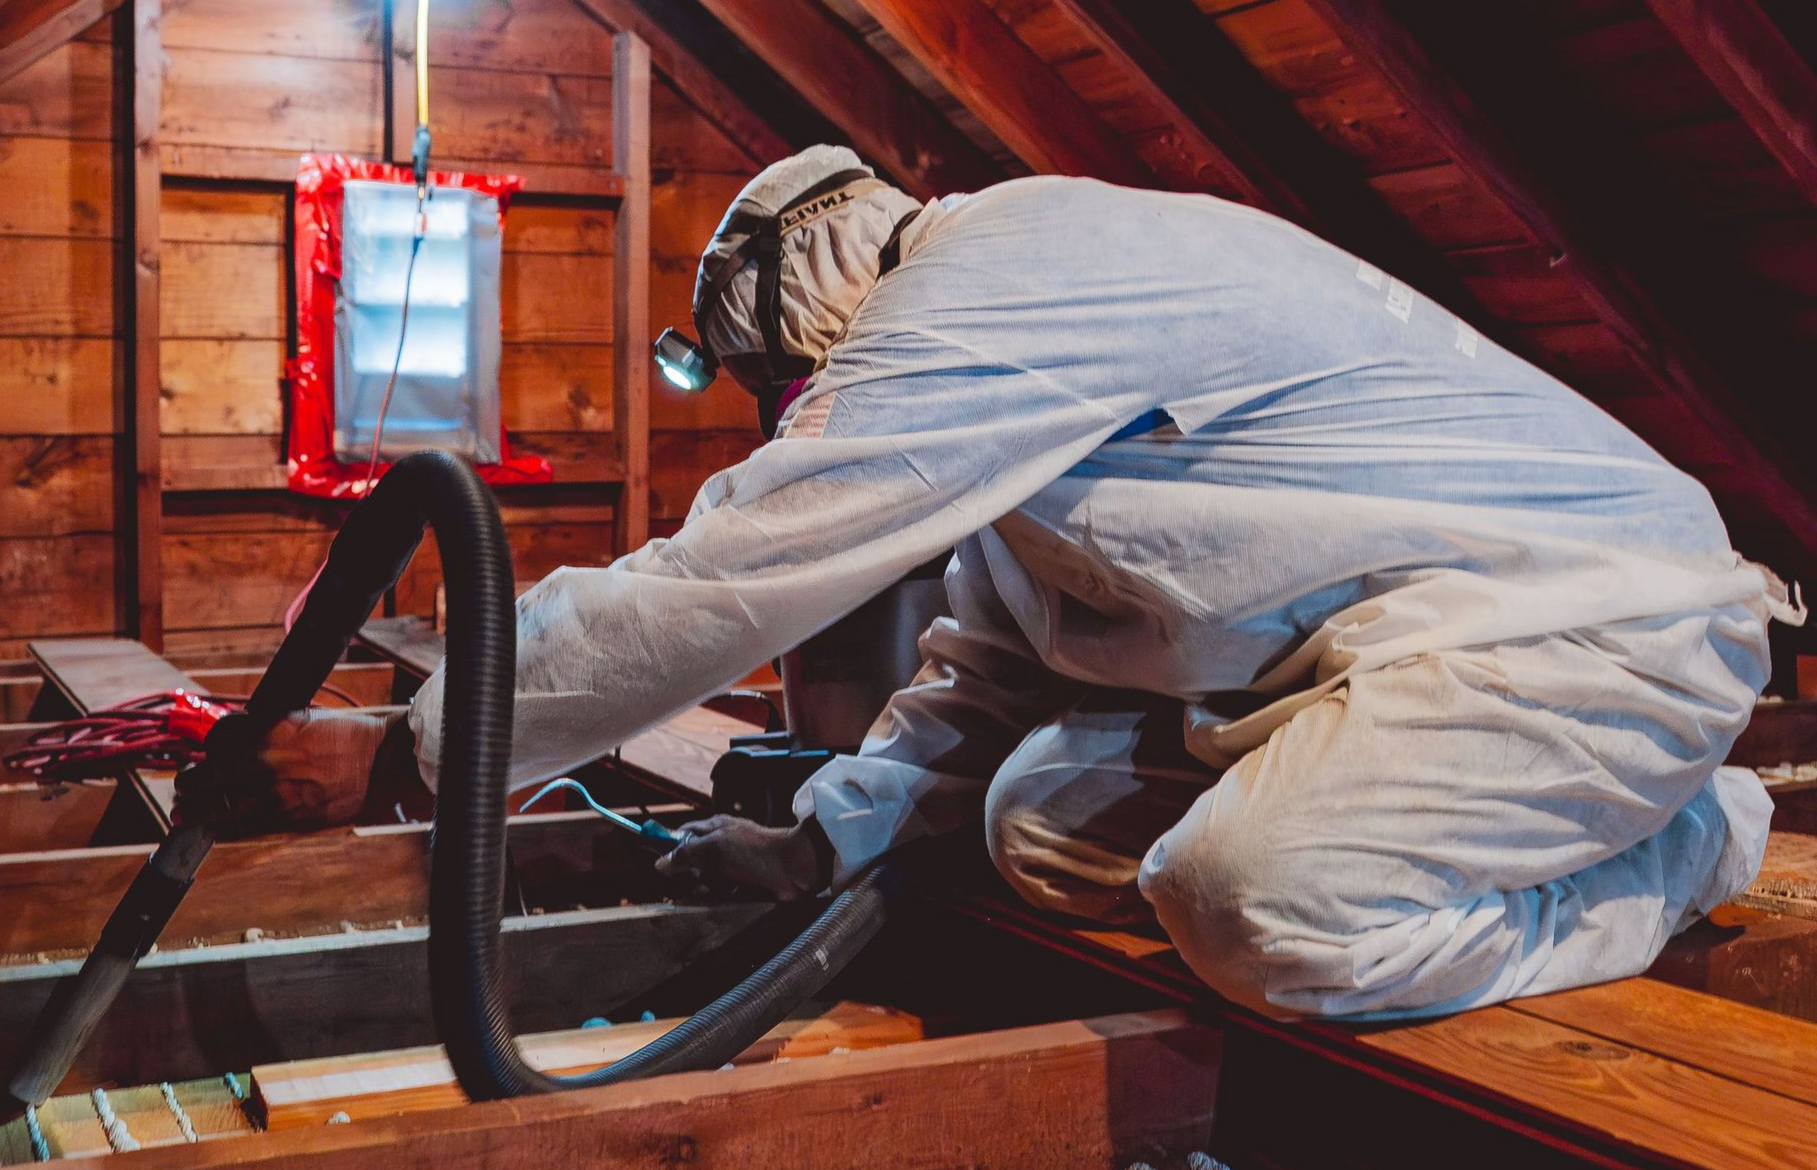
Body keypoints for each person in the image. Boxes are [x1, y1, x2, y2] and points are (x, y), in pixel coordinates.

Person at [208, 145, 1804, 1020]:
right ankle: (1527, 834)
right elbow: (983, 678)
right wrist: (813, 842)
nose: (795, 424)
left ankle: (1674, 854)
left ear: (819, 315)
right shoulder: (1010, 363)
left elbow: (737, 569)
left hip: (1593, 627)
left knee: (1254, 906)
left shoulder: (1003, 281)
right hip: (1406, 663)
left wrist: (419, 748)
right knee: (1031, 818)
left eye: (785, 391)